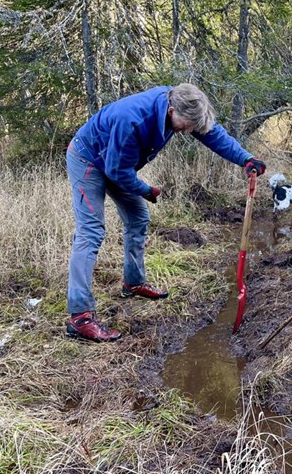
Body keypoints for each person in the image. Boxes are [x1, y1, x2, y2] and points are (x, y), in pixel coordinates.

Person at [65, 83, 266, 342]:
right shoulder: (133, 119)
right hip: (88, 159)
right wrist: (146, 189)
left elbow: (212, 134)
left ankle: (133, 282)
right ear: (171, 110)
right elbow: (116, 172)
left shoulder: (183, 104)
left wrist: (246, 159)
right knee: (91, 232)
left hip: (116, 161)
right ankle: (80, 317)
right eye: (188, 126)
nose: (190, 131)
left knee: (138, 218)